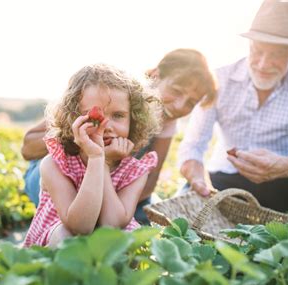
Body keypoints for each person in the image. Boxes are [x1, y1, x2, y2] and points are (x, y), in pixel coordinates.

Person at [178, 0, 288, 213]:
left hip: (286, 183)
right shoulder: (219, 79)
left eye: (276, 55)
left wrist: (286, 166)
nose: (262, 64)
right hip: (222, 180)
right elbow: (193, 146)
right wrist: (197, 180)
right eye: (257, 51)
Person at [21, 49, 217, 224]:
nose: (179, 106)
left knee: (152, 216)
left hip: (112, 185)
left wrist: (109, 189)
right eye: (176, 91)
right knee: (79, 210)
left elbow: (148, 185)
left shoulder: (167, 122)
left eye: (191, 103)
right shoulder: (109, 92)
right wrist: (82, 139)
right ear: (156, 76)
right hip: (63, 177)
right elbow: (27, 148)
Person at [23, 64, 160, 247]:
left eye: (118, 115)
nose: (107, 126)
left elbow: (111, 225)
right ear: (73, 119)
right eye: (94, 118)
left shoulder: (136, 171)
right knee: (67, 237)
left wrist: (103, 163)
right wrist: (96, 158)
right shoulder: (55, 164)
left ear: (133, 119)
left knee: (130, 238)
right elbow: (79, 227)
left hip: (106, 239)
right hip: (60, 239)